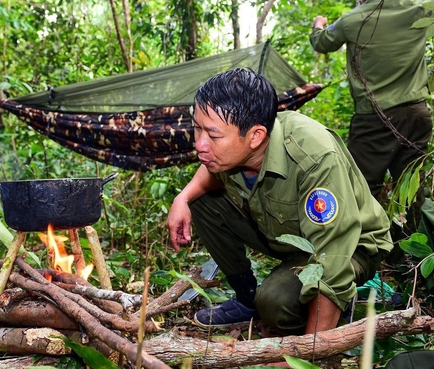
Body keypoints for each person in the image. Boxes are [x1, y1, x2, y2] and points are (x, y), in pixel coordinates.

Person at [166, 68, 393, 335]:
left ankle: (333, 311)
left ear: (256, 137)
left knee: (275, 304)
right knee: (201, 200)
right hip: (287, 234)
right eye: (197, 129)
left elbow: (332, 259)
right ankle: (246, 298)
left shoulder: (315, 159)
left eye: (213, 136)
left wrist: (310, 353)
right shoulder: (233, 149)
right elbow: (210, 166)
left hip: (349, 246)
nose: (200, 145)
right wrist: (182, 198)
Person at [309, 0, 434, 233]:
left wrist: (318, 23)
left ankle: (368, 252)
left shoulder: (354, 20)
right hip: (417, 114)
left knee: (362, 186)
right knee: (412, 188)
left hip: (375, 120)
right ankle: (419, 254)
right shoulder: (420, 7)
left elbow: (322, 43)